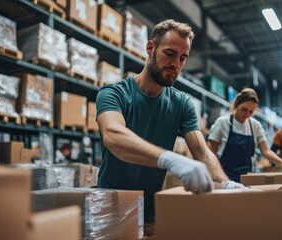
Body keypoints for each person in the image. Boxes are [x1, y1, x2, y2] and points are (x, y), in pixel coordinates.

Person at [95, 19, 243, 227]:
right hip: (109, 209)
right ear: (150, 48)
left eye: (183, 58)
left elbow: (201, 151)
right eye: (170, 54)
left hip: (150, 213)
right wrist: (169, 159)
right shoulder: (114, 93)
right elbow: (113, 135)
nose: (176, 65)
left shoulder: (181, 103)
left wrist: (224, 182)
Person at [207, 88, 282, 182]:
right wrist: (220, 178)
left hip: (246, 178)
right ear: (237, 104)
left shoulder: (255, 125)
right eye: (244, 109)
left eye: (251, 111)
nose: (247, 114)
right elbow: (210, 152)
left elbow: (266, 151)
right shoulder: (223, 122)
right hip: (224, 178)